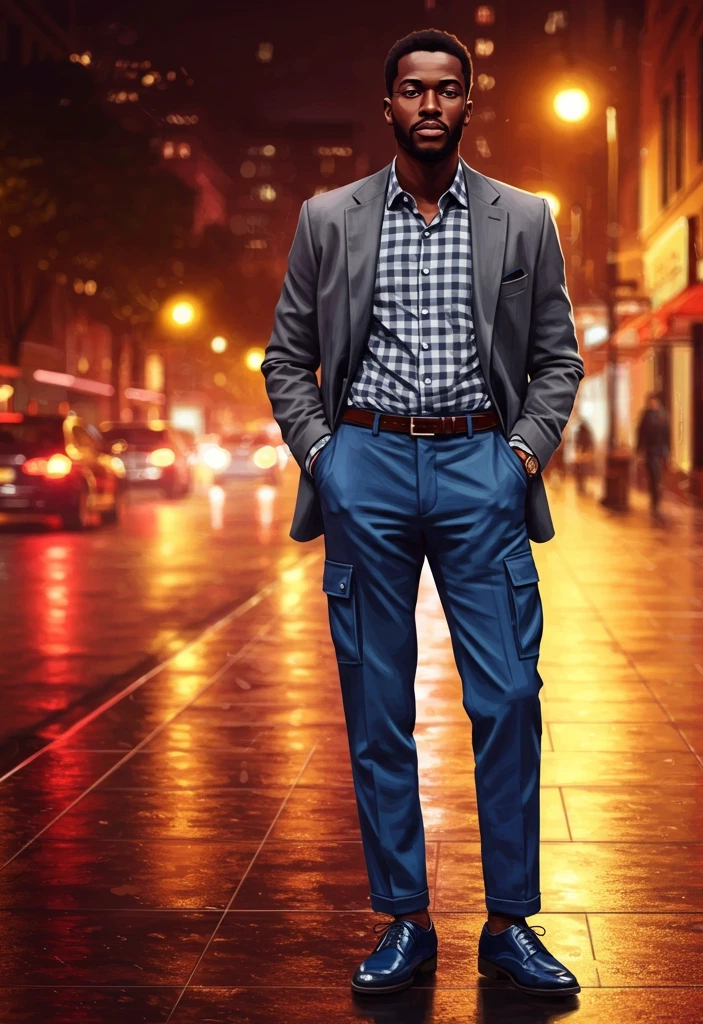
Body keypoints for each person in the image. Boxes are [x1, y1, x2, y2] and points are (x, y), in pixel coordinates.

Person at [262, 29, 583, 998]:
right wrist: (327, 456)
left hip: (481, 464)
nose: (431, 105)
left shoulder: (524, 219)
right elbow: (285, 358)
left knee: (509, 698)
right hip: (365, 464)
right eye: (413, 90)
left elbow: (557, 357)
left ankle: (509, 922)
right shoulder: (330, 218)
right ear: (389, 106)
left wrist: (520, 452)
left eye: (448, 89)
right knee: (376, 705)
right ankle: (404, 918)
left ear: (469, 104)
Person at [636, 392, 671, 522]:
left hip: (660, 451)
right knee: (652, 477)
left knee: (657, 476)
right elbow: (640, 434)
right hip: (650, 452)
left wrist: (668, 451)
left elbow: (667, 435)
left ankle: (656, 501)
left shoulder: (663, 415)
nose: (653, 403)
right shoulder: (646, 416)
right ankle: (654, 500)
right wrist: (639, 450)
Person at [572, 419, 595, 496]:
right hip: (585, 454)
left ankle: (580, 486)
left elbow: (576, 444)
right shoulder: (587, 433)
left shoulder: (579, 433)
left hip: (580, 454)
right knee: (583, 472)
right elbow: (590, 443)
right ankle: (581, 486)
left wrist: (577, 453)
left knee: (580, 472)